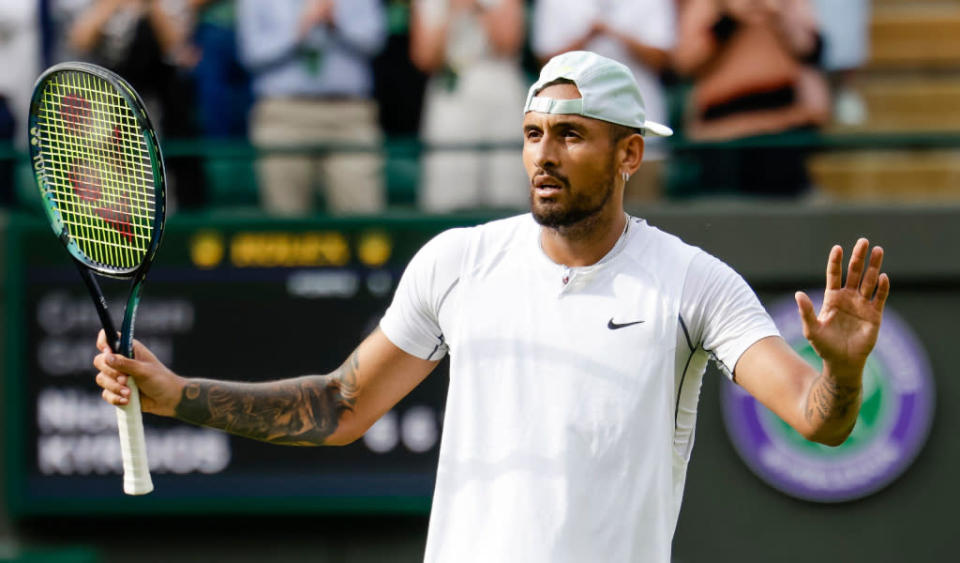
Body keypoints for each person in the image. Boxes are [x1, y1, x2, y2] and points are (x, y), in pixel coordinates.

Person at [93, 51, 890, 562]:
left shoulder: (693, 282)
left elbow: (818, 417)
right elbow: (340, 405)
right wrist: (175, 394)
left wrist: (844, 370)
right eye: (533, 132)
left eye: (572, 134)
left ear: (629, 155)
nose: (544, 154)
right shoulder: (459, 261)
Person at [236, 0, 387, 215]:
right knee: (286, 225)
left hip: (349, 114)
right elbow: (251, 53)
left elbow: (375, 40)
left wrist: (336, 22)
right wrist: (298, 31)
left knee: (364, 226)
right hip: (283, 114)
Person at [672, 0, 830, 197]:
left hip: (782, 132)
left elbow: (812, 48)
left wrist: (778, 14)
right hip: (722, 135)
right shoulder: (709, 4)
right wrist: (729, 19)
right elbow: (685, 63)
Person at [531, 0, 676, 202]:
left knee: (644, 216)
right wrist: (590, 35)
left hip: (642, 127)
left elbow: (663, 59)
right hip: (573, 133)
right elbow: (546, 64)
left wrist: (614, 32)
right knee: (579, 217)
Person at [410, 0, 529, 212]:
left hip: (499, 88)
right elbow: (425, 58)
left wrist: (478, 7)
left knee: (506, 189)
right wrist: (452, 12)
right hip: (450, 95)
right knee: (449, 191)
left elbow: (508, 44)